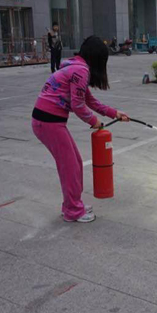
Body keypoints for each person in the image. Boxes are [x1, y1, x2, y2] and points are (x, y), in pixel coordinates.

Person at [32, 36, 129, 223]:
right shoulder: (81, 71)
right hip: (48, 121)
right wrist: (94, 121)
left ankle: (72, 204)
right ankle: (73, 211)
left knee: (73, 163)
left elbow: (89, 100)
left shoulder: (76, 67)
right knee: (70, 166)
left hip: (49, 121)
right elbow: (78, 105)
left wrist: (114, 113)